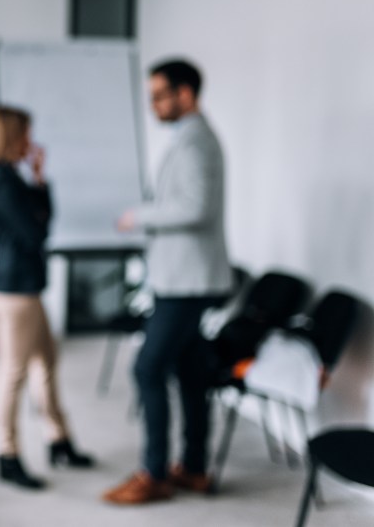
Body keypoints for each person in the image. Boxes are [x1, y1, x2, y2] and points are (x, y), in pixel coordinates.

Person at [104, 59, 233, 504]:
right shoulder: (190, 137)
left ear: (186, 94)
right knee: (190, 369)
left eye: (160, 95)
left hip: (187, 281)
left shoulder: (196, 142)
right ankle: (194, 468)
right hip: (182, 277)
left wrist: (139, 215)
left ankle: (154, 473)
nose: (153, 104)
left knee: (148, 368)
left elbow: (196, 209)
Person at [0, 106, 94, 490]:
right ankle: (6, 455)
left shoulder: (12, 177)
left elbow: (43, 219)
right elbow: (36, 234)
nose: (31, 140)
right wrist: (37, 203)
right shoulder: (2, 182)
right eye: (26, 133)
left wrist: (40, 178)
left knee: (47, 363)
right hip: (14, 293)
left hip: (26, 289)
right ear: (11, 135)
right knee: (14, 373)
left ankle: (58, 440)